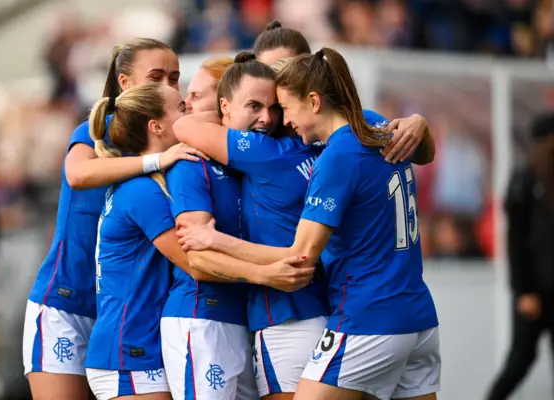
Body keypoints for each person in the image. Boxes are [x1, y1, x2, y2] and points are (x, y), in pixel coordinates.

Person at [176, 48, 440, 400]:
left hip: (368, 315)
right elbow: (423, 151)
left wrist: (215, 240)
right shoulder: (375, 123)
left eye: (284, 107)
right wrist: (419, 123)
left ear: (314, 100)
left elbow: (301, 256)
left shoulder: (333, 156)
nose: (281, 119)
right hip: (419, 316)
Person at [84, 82, 306, 399]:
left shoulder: (158, 180)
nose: (193, 112)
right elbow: (196, 264)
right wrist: (267, 273)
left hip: (147, 341)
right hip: (127, 347)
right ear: (157, 126)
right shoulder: (143, 191)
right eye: (183, 109)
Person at [22, 38, 206, 400]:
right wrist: (153, 162)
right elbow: (77, 174)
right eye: (156, 76)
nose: (167, 86)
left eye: (174, 77)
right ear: (125, 82)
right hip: (68, 299)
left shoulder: (172, 139)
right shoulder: (100, 127)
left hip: (127, 315)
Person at [162, 53, 314, 400]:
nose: (267, 117)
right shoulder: (191, 164)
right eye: (254, 106)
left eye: (274, 107)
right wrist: (263, 274)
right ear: (224, 107)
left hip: (245, 320)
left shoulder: (252, 160)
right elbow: (196, 260)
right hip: (202, 318)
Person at [253, 20, 434, 165]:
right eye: (269, 72)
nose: (278, 79)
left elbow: (423, 156)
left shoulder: (356, 125)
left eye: (284, 68)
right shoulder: (253, 137)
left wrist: (419, 127)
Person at [486, 113, 554, 400]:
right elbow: (514, 243)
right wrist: (522, 290)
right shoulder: (524, 182)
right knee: (521, 358)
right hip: (534, 294)